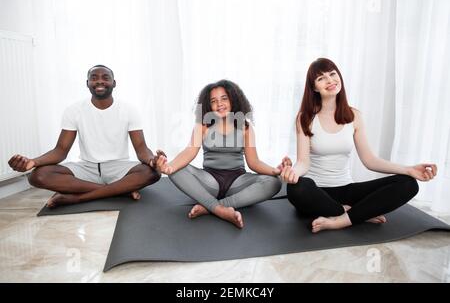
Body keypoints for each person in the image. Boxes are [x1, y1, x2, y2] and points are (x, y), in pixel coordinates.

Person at [280, 58, 437, 233]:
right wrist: (293, 172)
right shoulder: (305, 118)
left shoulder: (354, 116)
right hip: (317, 193)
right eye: (321, 78)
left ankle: (340, 220)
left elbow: (370, 160)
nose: (330, 80)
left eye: (332, 74)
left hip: (347, 190)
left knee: (408, 184)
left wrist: (409, 169)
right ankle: (353, 213)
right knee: (296, 188)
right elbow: (303, 162)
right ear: (314, 88)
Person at [8, 65, 160, 208]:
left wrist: (152, 161)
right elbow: (60, 150)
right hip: (87, 167)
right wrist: (33, 162)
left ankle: (79, 197)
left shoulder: (129, 110)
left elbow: (141, 149)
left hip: (118, 167)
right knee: (37, 176)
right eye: (94, 77)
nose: (99, 81)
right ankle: (121, 191)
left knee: (152, 172)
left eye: (105, 77)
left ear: (114, 83)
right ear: (87, 83)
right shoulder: (74, 110)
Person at [153, 80, 282, 228]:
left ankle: (212, 206)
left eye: (224, 98)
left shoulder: (245, 127)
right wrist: (169, 167)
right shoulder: (203, 126)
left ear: (233, 99)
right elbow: (190, 151)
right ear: (209, 106)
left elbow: (254, 162)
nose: (219, 104)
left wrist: (275, 171)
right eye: (214, 101)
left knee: (274, 182)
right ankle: (220, 210)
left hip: (237, 181)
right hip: (209, 181)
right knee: (176, 171)